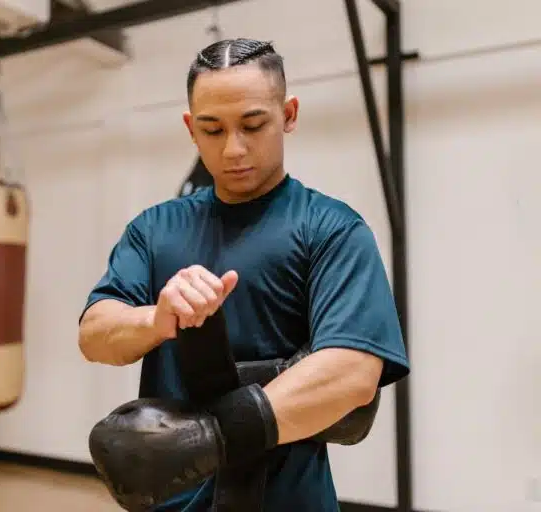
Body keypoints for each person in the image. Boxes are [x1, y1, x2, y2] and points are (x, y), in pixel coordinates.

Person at [77, 38, 410, 512]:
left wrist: (211, 435)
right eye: (212, 130)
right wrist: (158, 318)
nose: (234, 148)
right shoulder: (154, 230)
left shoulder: (331, 229)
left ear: (289, 115)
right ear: (191, 129)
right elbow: (95, 333)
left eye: (253, 124)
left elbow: (354, 372)